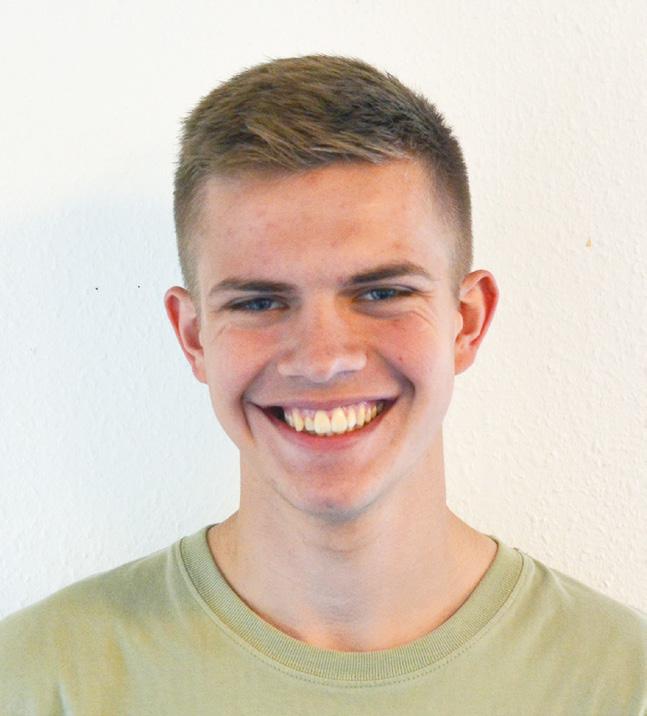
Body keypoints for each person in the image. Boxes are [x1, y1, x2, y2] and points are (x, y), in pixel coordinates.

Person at [1, 54, 645, 714]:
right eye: (258, 302)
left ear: (467, 322)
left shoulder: (623, 683)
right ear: (193, 337)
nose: (321, 359)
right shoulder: (33, 683)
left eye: (381, 292)